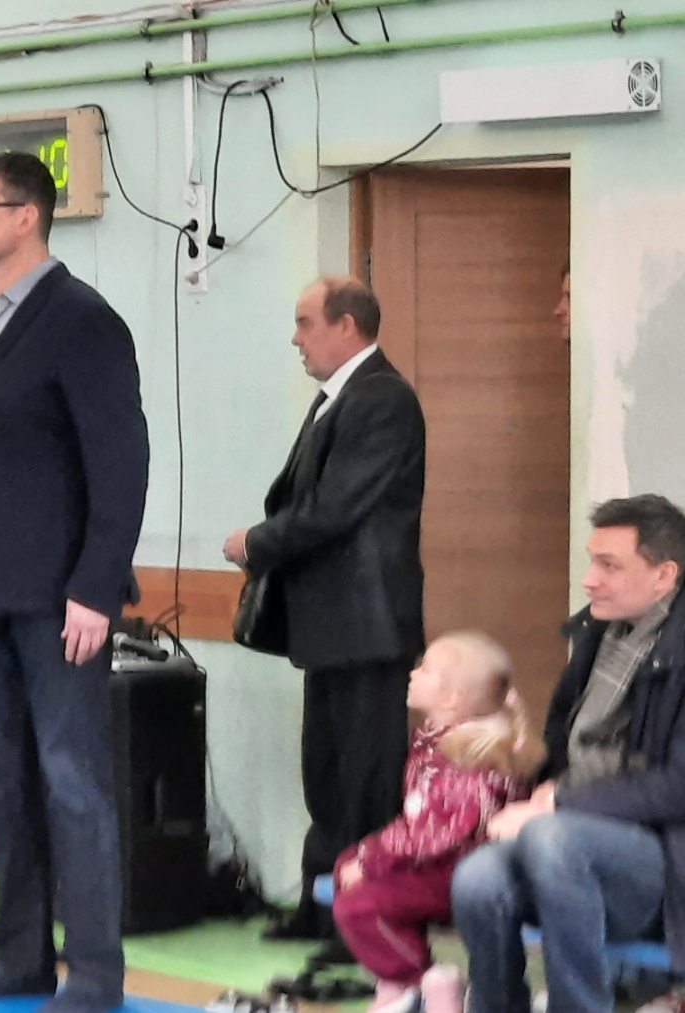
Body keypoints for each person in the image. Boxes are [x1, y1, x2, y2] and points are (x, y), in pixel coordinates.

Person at [0, 152, 149, 1010]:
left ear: (27, 216)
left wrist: (96, 585)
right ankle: (20, 956)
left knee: (72, 783)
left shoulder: (83, 321)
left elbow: (120, 463)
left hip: (59, 599)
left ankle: (94, 972)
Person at [223, 277, 427, 950]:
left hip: (369, 628)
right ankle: (321, 907)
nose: (296, 338)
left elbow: (335, 509)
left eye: (306, 322)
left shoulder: (383, 399)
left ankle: (363, 918)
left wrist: (256, 542)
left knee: (366, 784)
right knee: (328, 780)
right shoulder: (338, 397)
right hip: (334, 628)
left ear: (346, 325)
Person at [451, 495, 685, 1013]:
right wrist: (510, 752)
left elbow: (677, 787)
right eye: (591, 560)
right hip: (582, 836)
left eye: (609, 565)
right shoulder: (598, 634)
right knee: (476, 879)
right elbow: (566, 751)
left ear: (664, 575)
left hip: (666, 863)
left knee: (551, 836)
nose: (588, 580)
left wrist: (559, 802)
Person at [332, 632, 543, 1013]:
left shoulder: (471, 756)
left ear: (452, 699)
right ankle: (398, 982)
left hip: (457, 872)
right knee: (346, 867)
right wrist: (368, 856)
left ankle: (427, 981)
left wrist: (374, 858)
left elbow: (441, 832)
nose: (413, 674)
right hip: (436, 863)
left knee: (358, 904)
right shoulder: (437, 739)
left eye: (425, 669)